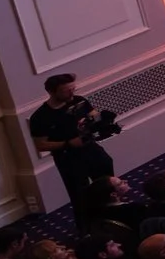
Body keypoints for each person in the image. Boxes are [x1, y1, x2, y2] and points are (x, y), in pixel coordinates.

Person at [28, 73, 119, 206]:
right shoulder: (40, 117)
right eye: (66, 91)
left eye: (73, 89)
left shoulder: (78, 101)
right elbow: (41, 145)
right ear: (51, 92)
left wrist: (102, 121)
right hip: (68, 158)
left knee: (107, 184)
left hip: (90, 149)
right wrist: (68, 143)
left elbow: (93, 116)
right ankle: (86, 224)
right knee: (80, 195)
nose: (72, 94)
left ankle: (113, 213)